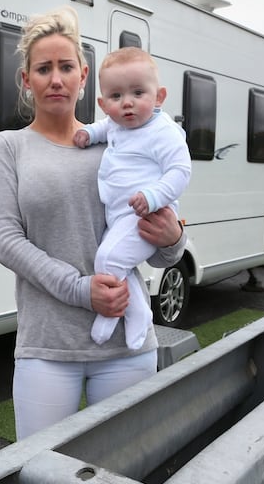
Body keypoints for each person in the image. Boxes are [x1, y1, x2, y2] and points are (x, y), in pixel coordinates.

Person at [0, 7, 187, 441]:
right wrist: (81, 290)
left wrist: (174, 240)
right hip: (47, 346)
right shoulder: (8, 148)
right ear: (26, 81)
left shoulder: (119, 138)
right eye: (43, 69)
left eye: (66, 67)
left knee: (118, 474)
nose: (55, 78)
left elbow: (159, 235)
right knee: (36, 474)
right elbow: (7, 242)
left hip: (126, 349)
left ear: (83, 76)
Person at [73, 47, 192, 349]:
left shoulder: (162, 131)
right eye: (116, 97)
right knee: (119, 265)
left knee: (108, 259)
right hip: (120, 216)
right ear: (103, 103)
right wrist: (89, 133)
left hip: (144, 216)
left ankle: (112, 313)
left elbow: (180, 171)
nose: (127, 103)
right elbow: (105, 128)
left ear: (160, 96)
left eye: (138, 93)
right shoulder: (117, 123)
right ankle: (138, 311)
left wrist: (153, 197)